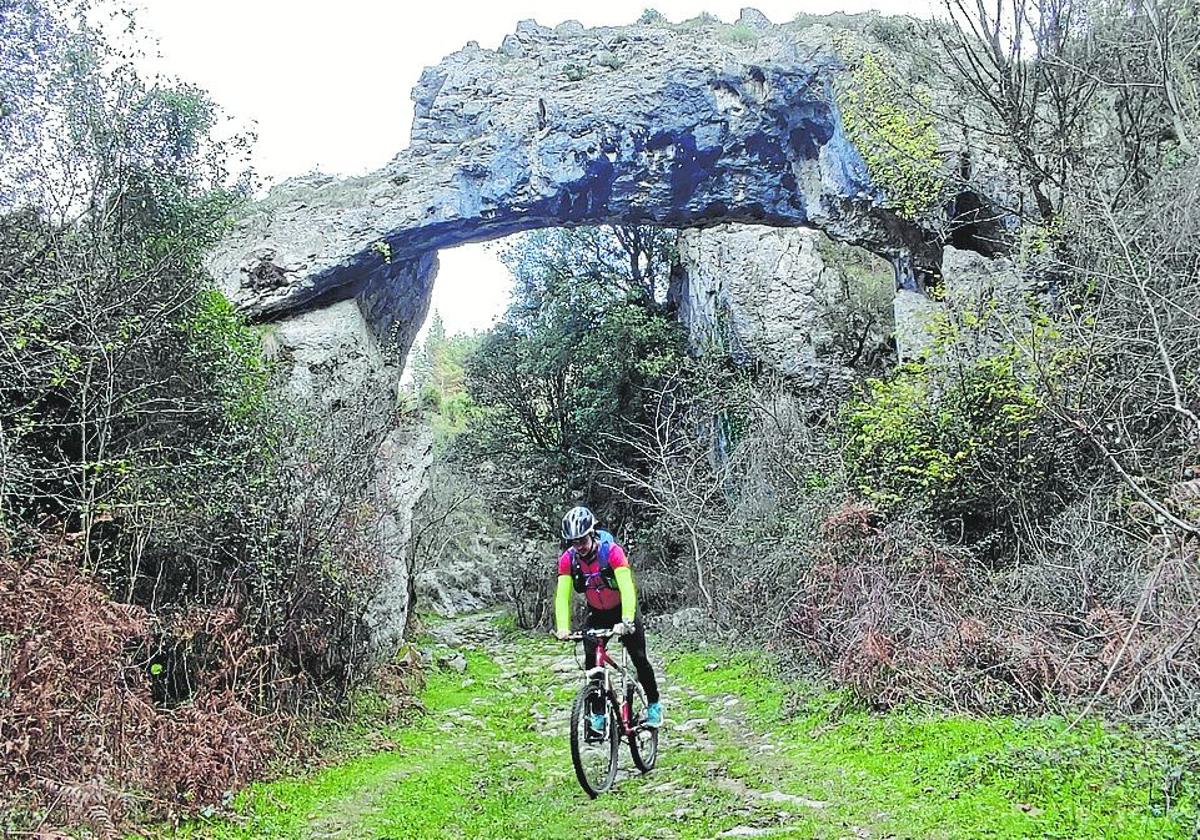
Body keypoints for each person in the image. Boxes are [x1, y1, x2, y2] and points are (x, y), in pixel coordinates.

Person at [554, 505, 662, 731]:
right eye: (574, 542)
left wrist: (626, 620)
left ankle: (653, 704)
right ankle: (598, 714)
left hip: (623, 609)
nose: (579, 547)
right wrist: (563, 627)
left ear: (592, 533)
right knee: (592, 662)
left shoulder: (612, 552)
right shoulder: (568, 560)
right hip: (597, 613)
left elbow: (627, 588)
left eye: (582, 540)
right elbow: (562, 596)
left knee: (639, 658)